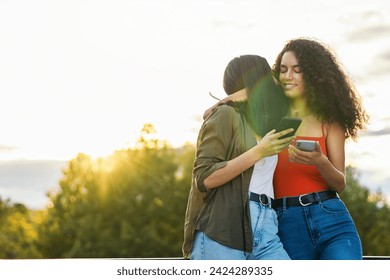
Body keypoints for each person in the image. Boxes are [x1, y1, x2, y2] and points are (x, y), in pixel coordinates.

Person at [182, 55, 293, 260]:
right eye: (266, 75)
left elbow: (284, 88)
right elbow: (204, 177)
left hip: (267, 228)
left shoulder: (264, 123)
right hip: (224, 231)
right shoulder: (225, 114)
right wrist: (258, 152)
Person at [271, 38, 369, 260]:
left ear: (314, 75)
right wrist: (221, 103)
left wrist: (320, 161)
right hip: (286, 224)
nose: (288, 76)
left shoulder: (330, 121)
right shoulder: (272, 118)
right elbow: (248, 91)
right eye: (283, 70)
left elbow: (339, 183)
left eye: (297, 70)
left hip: (331, 218)